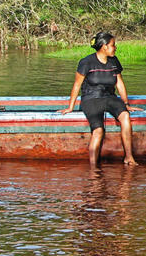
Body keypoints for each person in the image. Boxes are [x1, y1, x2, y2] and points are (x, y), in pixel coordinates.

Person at [59, 31, 140, 167]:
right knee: (98, 130)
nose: (115, 48)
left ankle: (129, 157)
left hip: (109, 97)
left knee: (125, 116)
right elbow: (77, 85)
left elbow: (119, 83)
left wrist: (126, 103)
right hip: (91, 99)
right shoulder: (86, 62)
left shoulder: (113, 61)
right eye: (113, 45)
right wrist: (70, 107)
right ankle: (93, 167)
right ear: (104, 47)